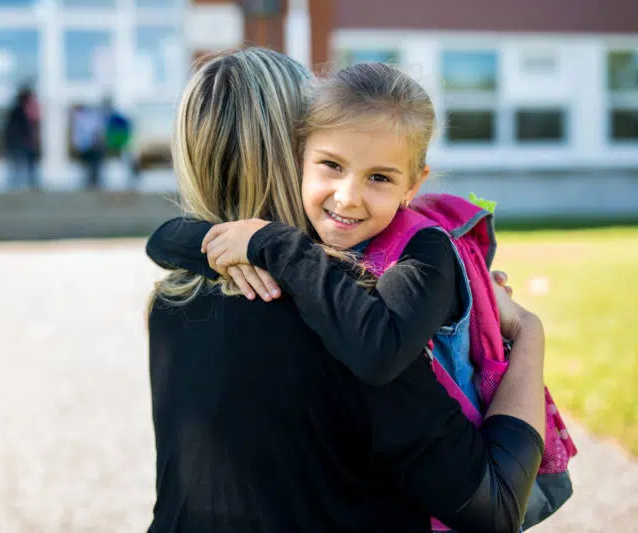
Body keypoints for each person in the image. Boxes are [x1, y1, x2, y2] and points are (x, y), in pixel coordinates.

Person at [145, 48, 546, 533]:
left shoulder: (170, 302)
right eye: (331, 160)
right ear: (298, 153)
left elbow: (168, 237)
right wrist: (528, 332)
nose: (348, 193)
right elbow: (498, 506)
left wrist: (188, 240)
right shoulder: (353, 313)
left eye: (377, 175)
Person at [3, 86, 40, 190]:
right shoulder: (19, 111)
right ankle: (18, 184)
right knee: (19, 165)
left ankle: (19, 184)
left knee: (20, 165)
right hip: (19, 143)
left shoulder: (18, 110)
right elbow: (19, 129)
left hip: (18, 142)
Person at [71, 104, 105, 189]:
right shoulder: (84, 118)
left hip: (90, 147)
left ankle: (92, 182)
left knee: (93, 165)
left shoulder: (83, 119)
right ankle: (92, 182)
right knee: (92, 165)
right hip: (88, 147)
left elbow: (96, 133)